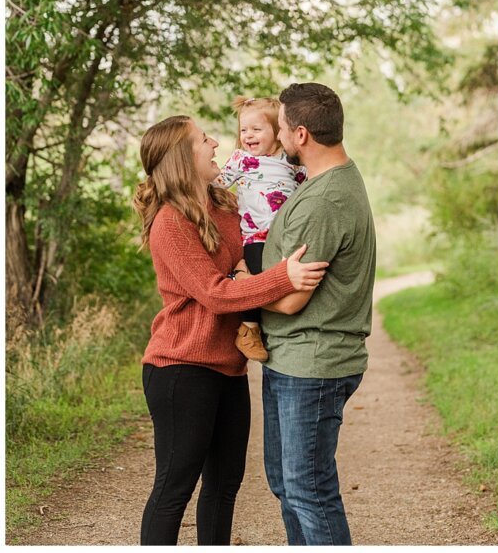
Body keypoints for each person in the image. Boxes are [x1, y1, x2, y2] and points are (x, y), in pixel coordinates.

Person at [134, 115, 330, 545]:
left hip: (229, 369)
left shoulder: (224, 205)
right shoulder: (171, 221)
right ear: (183, 157)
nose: (216, 143)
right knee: (174, 490)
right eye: (204, 140)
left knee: (224, 487)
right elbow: (216, 293)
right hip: (180, 368)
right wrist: (285, 278)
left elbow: (246, 259)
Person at [259, 82, 376, 546]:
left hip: (313, 364)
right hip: (291, 358)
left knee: (309, 491)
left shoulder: (325, 201)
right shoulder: (327, 182)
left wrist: (232, 289)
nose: (278, 135)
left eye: (283, 127)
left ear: (302, 133)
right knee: (288, 485)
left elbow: (289, 300)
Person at [216, 96, 307, 362]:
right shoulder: (240, 160)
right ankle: (249, 329)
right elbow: (218, 184)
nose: (248, 136)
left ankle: (286, 326)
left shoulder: (290, 162)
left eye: (257, 129)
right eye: (244, 130)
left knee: (287, 279)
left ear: (278, 133)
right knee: (255, 280)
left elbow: (307, 188)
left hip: (285, 235)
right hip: (255, 236)